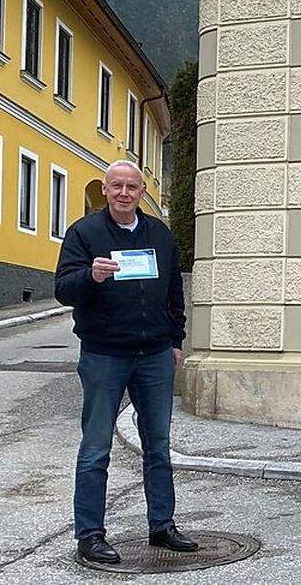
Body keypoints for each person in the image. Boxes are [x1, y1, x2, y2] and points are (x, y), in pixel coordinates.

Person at [54, 160, 196, 564]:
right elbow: (63, 289)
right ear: (104, 189)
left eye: (131, 186)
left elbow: (173, 292)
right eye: (116, 186)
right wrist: (90, 277)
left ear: (141, 190)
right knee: (96, 447)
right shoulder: (85, 234)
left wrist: (176, 340)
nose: (124, 193)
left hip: (154, 353)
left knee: (159, 445)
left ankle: (162, 526)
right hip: (104, 353)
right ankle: (90, 534)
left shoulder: (159, 234)